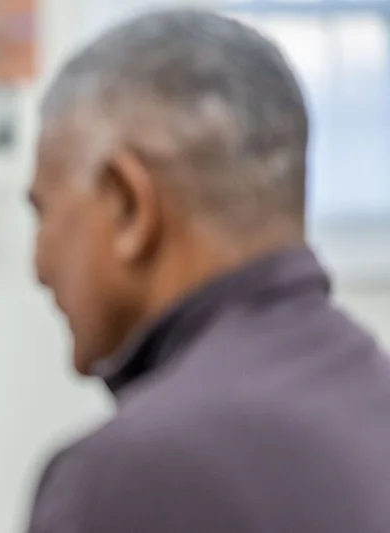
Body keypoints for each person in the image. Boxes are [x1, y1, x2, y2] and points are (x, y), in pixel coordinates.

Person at [25, 8, 390, 533]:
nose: (37, 264)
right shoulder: (369, 399)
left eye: (44, 214)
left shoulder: (128, 475)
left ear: (129, 206)